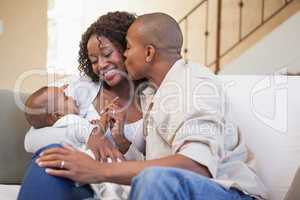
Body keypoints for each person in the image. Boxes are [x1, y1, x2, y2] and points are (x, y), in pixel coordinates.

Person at [20, 12, 269, 200]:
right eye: (95, 59)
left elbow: (196, 166)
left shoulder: (195, 86)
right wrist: (123, 142)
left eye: (126, 47)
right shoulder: (153, 93)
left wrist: (97, 170)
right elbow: (160, 152)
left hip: (229, 192)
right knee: (53, 158)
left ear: (148, 53)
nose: (125, 56)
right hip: (171, 186)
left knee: (152, 179)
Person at [18, 11, 145, 199]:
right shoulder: (80, 87)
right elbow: (31, 140)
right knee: (49, 158)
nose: (101, 65)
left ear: (127, 48)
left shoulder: (153, 99)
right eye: (94, 61)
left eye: (107, 53)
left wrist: (124, 144)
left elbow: (155, 168)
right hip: (74, 180)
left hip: (118, 183)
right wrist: (88, 134)